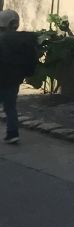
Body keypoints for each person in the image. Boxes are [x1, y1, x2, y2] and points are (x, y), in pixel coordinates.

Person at [0, 10, 41, 145]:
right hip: (13, 81)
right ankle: (13, 133)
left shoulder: (2, 39)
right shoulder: (24, 41)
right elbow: (31, 60)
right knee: (10, 107)